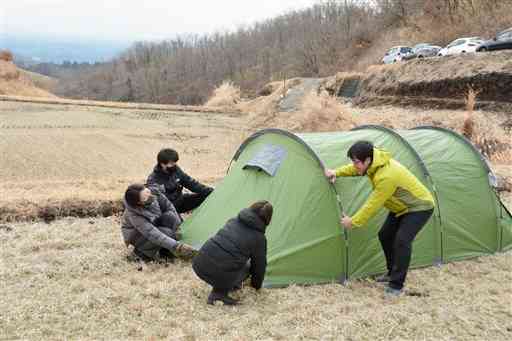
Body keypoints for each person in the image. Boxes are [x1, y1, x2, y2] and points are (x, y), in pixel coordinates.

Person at [324, 141, 435, 296]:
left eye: (356, 162)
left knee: (402, 241)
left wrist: (353, 221)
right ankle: (391, 272)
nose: (354, 165)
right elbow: (355, 170)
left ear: (368, 160)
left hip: (419, 206)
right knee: (385, 235)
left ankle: (396, 285)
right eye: (353, 161)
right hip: (401, 207)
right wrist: (336, 172)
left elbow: (373, 205)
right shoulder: (373, 163)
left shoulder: (387, 176)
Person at [192, 201, 273, 305]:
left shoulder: (233, 220)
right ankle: (218, 295)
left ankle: (225, 285)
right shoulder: (259, 238)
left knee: (229, 256)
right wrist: (256, 287)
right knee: (247, 267)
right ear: (267, 219)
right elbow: (259, 267)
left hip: (199, 263)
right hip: (217, 271)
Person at [121, 183, 197, 262]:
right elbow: (152, 233)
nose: (150, 196)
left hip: (154, 223)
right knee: (167, 232)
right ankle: (140, 253)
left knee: (170, 217)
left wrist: (179, 229)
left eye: (147, 192)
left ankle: (166, 251)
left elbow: (170, 208)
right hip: (139, 236)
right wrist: (177, 246)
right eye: (145, 197)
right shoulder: (134, 214)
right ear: (139, 203)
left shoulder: (155, 192)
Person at [147, 148, 214, 214]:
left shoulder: (176, 170)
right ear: (162, 164)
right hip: (169, 209)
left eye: (175, 163)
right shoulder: (153, 180)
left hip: (181, 201)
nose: (174, 165)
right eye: (171, 164)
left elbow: (191, 183)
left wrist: (211, 191)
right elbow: (160, 203)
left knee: (206, 195)